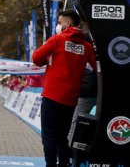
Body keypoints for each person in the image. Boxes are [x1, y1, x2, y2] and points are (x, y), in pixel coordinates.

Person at [32, 10, 96, 167]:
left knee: (49, 135)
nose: (58, 25)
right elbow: (97, 67)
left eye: (60, 22)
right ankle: (64, 164)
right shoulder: (87, 47)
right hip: (71, 99)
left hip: (52, 96)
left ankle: (51, 165)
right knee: (62, 136)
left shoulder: (57, 39)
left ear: (68, 23)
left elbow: (36, 58)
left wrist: (49, 58)